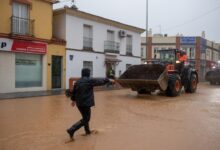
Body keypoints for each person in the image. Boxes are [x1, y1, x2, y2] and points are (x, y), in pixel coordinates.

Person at [67, 68, 114, 140]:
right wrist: (108, 80)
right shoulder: (90, 80)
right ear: (88, 74)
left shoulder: (77, 82)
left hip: (79, 104)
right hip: (86, 103)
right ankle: (72, 129)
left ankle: (87, 131)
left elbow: (74, 92)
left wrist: (73, 100)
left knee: (85, 118)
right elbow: (100, 81)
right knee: (86, 119)